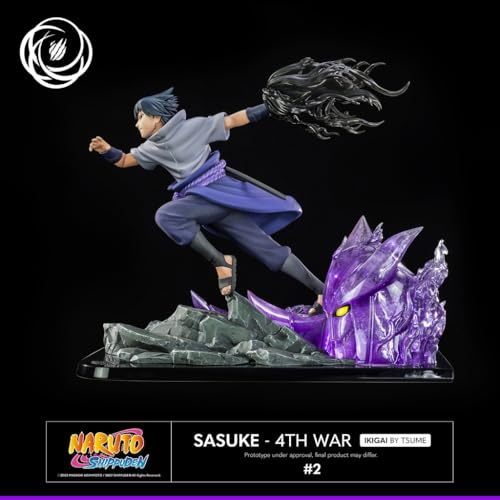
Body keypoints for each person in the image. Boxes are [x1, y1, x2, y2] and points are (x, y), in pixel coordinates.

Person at [89, 88, 324, 315]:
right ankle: (322, 290)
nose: (137, 124)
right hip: (205, 202)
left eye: (140, 116)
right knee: (267, 249)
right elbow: (124, 161)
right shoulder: (151, 147)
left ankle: (221, 262)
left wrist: (270, 107)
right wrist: (106, 150)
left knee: (168, 216)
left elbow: (232, 120)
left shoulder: (193, 127)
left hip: (217, 192)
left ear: (156, 117)